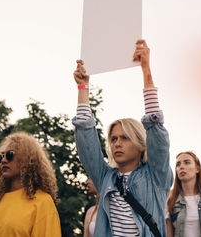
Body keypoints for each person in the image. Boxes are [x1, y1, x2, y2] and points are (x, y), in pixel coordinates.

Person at [73, 39, 173, 237]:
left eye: (125, 138)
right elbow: (86, 139)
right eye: (113, 139)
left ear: (141, 144)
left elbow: (156, 131)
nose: (117, 143)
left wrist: (146, 69)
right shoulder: (105, 178)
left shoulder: (156, 176)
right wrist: (83, 87)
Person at [0, 132, 61, 237]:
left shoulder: (42, 201)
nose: (4, 160)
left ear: (27, 159)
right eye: (0, 157)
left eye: (10, 155)